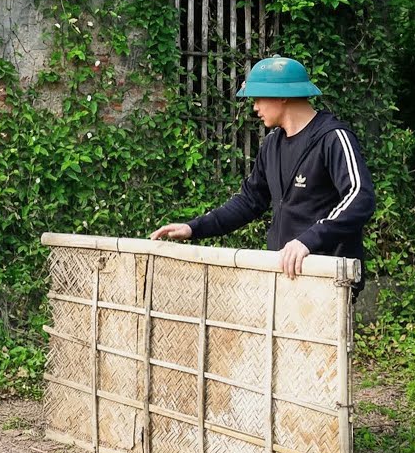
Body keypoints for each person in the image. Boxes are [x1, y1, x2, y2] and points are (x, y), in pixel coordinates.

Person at [149, 56, 374, 291]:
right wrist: (193, 228)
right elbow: (249, 201)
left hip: (327, 279)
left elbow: (360, 197)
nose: (255, 107)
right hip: (285, 275)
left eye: (258, 98)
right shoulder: (272, 144)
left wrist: (308, 241)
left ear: (283, 95)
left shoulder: (333, 137)